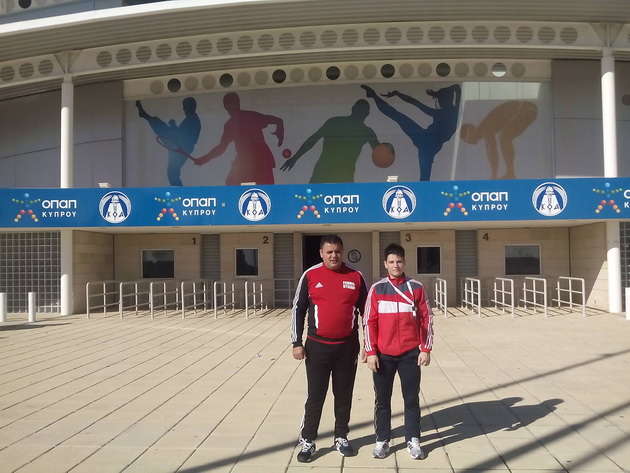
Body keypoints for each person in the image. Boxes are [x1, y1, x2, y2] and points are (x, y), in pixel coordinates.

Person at [291, 234, 368, 463]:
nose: (334, 255)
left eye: (337, 251)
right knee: (315, 396)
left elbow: (368, 313)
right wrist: (296, 342)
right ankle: (308, 440)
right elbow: (298, 309)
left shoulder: (355, 276)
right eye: (329, 252)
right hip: (317, 348)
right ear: (321, 253)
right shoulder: (310, 275)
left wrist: (369, 345)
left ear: (342, 252)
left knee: (343, 395)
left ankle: (341, 437)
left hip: (347, 348)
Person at [363, 243, 434, 460]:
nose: (396, 265)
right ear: (385, 264)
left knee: (411, 399)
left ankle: (413, 439)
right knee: (382, 400)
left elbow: (427, 318)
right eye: (391, 262)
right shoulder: (377, 289)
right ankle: (382, 439)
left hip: (410, 354)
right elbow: (369, 321)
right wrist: (371, 351)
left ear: (405, 262)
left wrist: (425, 348)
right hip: (383, 356)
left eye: (399, 261)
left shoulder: (416, 287)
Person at [362, 84, 461, 181]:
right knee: (397, 116)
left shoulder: (454, 112)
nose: (439, 102)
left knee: (397, 116)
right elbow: (416, 103)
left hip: (428, 144)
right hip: (425, 139)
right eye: (439, 100)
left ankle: (374, 96)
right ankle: (373, 96)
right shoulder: (444, 112)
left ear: (447, 99)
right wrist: (398, 94)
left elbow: (457, 87)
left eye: (440, 100)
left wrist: (442, 91)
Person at [193, 92, 284, 185]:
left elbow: (221, 147)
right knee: (233, 183)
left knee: (261, 188)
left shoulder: (242, 120)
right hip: (249, 161)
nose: (229, 107)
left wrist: (204, 159)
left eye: (230, 103)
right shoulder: (237, 121)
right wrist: (205, 159)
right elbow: (278, 121)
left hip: (260, 161)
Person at [280, 99, 381, 183]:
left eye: (361, 111)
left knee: (314, 200)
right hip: (329, 174)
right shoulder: (338, 123)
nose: (359, 113)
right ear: (366, 114)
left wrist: (295, 158)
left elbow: (380, 152)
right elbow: (312, 140)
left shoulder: (336, 122)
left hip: (338, 176)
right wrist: (294, 158)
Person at [460, 100, 538, 179]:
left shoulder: (485, 129)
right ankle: (510, 173)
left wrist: (494, 176)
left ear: (470, 134)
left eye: (466, 139)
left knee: (504, 138)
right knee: (504, 137)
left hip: (526, 109)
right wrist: (493, 175)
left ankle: (510, 173)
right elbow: (490, 154)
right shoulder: (485, 130)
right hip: (527, 109)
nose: (468, 142)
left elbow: (493, 153)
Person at [136, 97, 201, 186]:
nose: (183, 109)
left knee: (172, 172)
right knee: (172, 172)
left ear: (190, 107)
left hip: (181, 146)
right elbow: (181, 133)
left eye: (185, 106)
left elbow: (182, 135)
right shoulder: (191, 119)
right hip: (179, 145)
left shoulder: (193, 119)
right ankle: (178, 190)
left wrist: (173, 125)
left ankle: (145, 115)